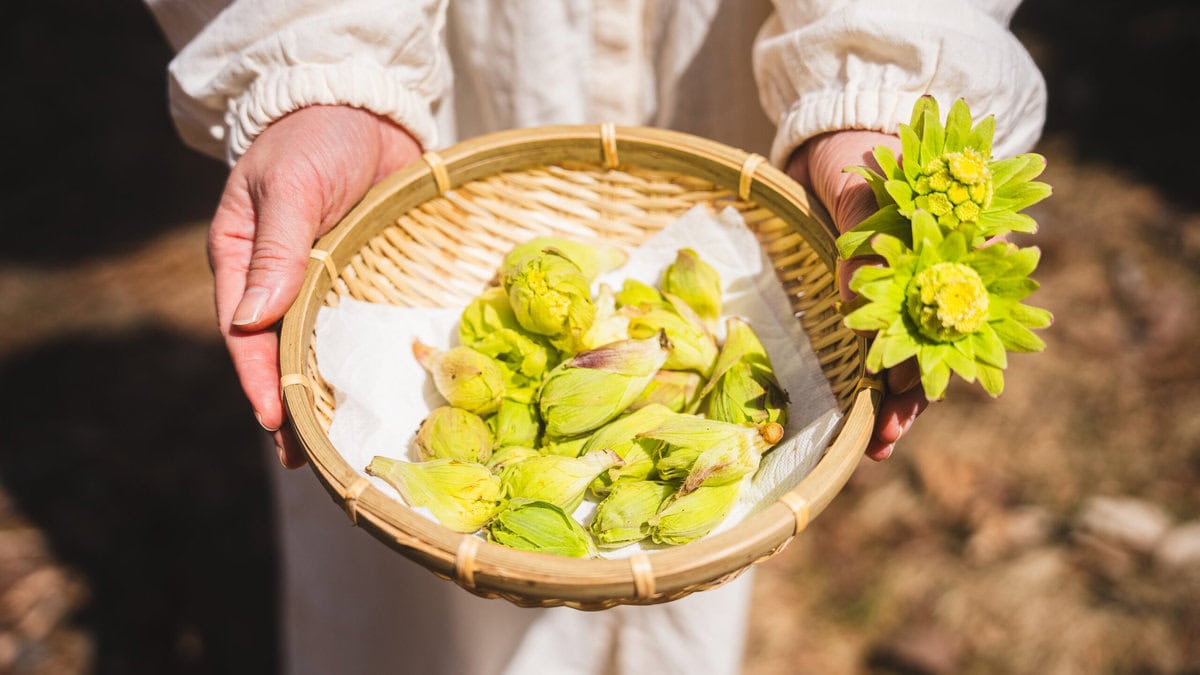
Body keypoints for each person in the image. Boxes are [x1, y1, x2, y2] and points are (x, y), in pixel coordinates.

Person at [146, 1, 1046, 673]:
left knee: (680, 602)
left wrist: (877, 91)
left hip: (727, 74)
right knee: (413, 624)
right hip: (441, 85)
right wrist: (317, 65)